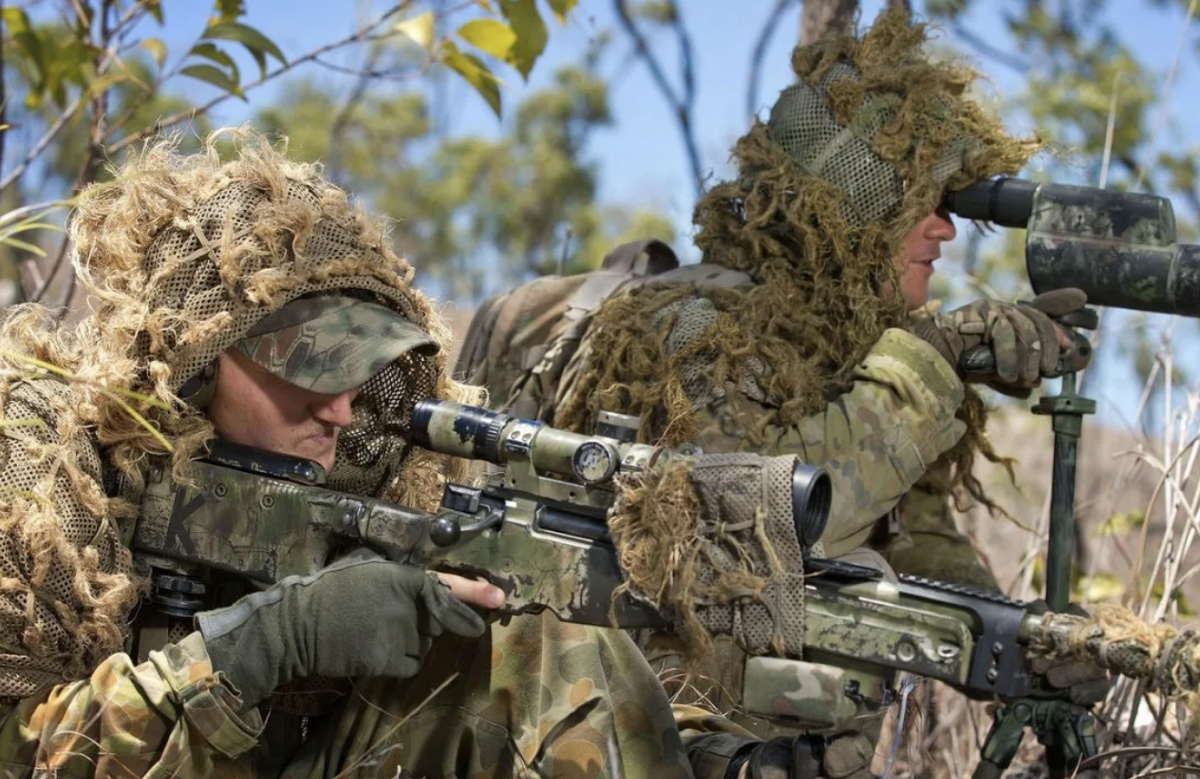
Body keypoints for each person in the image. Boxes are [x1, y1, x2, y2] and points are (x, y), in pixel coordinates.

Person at [457, 9, 1106, 778]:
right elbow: (757, 529)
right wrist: (925, 364)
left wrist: (1024, 645)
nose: (947, 233)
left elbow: (911, 544)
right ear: (854, 212)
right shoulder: (698, 331)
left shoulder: (841, 344)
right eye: (924, 205)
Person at [0, 129, 694, 778]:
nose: (339, 407)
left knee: (531, 639)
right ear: (193, 358)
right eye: (303, 364)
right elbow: (21, 749)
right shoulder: (44, 473)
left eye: (358, 370)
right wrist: (272, 641)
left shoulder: (374, 485)